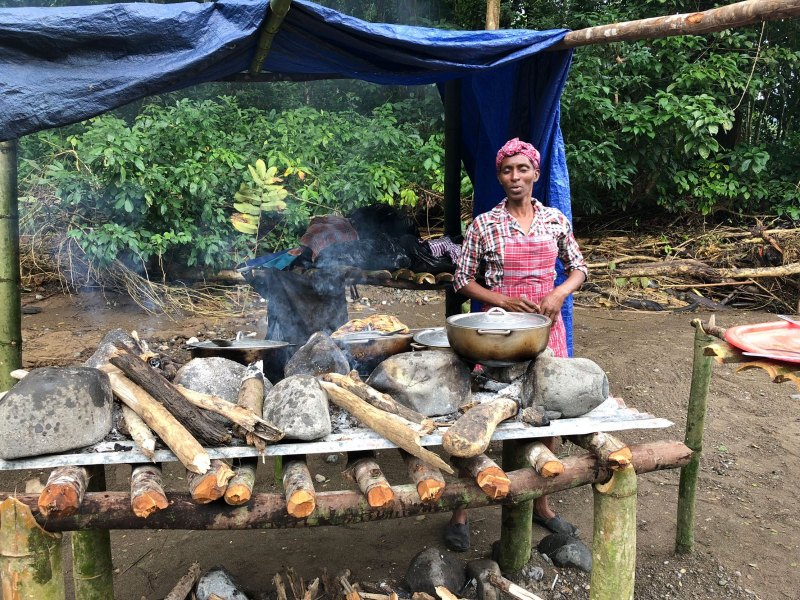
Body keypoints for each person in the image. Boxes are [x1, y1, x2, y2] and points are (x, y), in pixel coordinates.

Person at [444, 137, 589, 552]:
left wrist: (560, 293)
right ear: (499, 176)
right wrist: (501, 298)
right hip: (496, 332)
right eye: (507, 170)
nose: (515, 177)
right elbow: (462, 279)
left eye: (522, 169)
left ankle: (541, 504)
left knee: (549, 411)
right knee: (478, 411)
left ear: (536, 174)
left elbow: (579, 267)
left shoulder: (555, 219)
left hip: (546, 327)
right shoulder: (485, 224)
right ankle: (461, 510)